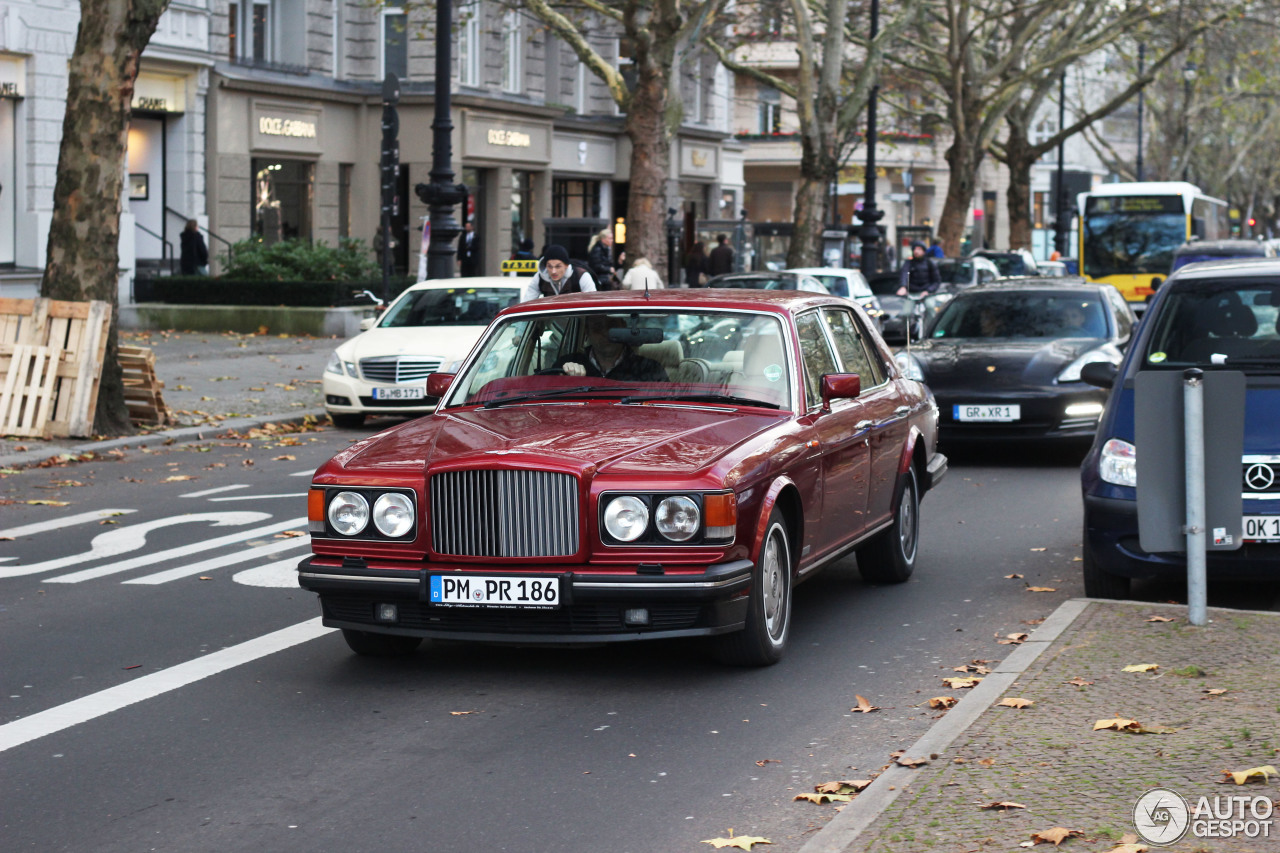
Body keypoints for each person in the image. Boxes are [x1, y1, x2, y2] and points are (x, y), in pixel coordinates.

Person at [553, 315, 669, 382]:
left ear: (623, 327)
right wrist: (565, 380)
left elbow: (667, 407)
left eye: (612, 327)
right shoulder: (565, 365)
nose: (605, 333)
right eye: (597, 327)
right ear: (587, 332)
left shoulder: (650, 369)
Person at [520, 244, 597, 302]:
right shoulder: (540, 277)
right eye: (549, 266)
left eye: (558, 266)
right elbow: (526, 302)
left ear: (566, 265)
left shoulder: (581, 276)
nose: (553, 271)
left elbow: (593, 304)